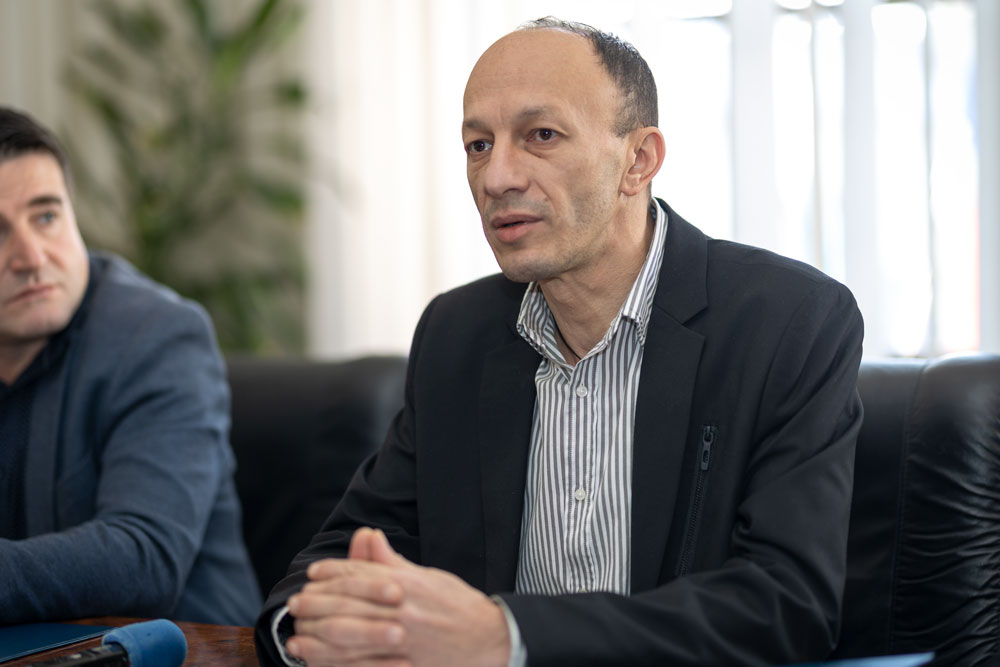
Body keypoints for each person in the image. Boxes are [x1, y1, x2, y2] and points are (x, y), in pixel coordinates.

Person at [256, 17, 864, 666]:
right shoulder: (456, 335)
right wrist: (314, 629)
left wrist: (507, 635)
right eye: (478, 144)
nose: (497, 177)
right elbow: (340, 559)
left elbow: (785, 604)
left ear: (638, 161)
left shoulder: (788, 323)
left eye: (541, 135)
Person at [0, 107, 261, 626]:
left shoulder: (159, 336)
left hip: (190, 651)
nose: (32, 257)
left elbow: (146, 556)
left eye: (46, 217)